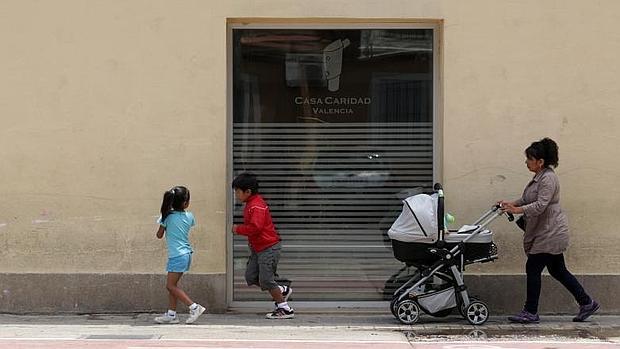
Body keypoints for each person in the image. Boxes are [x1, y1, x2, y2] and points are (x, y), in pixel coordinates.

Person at [499, 138, 599, 323]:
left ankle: (530, 311)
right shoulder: (540, 178)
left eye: (529, 158)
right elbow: (527, 199)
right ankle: (587, 303)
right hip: (545, 231)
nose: (526, 162)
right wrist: (510, 203)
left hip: (550, 232)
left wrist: (517, 210)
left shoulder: (548, 179)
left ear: (540, 161)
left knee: (533, 267)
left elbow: (540, 205)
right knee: (558, 270)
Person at [231, 172, 294, 319]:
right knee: (251, 276)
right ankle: (281, 289)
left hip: (268, 247)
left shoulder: (257, 206)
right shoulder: (250, 204)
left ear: (248, 192)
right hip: (258, 248)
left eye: (237, 192)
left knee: (266, 280)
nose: (236, 195)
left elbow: (256, 228)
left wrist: (237, 229)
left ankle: (284, 308)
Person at [154, 186, 206, 324]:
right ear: (185, 203)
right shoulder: (190, 217)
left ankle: (194, 307)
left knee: (170, 286)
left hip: (177, 255)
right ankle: (171, 315)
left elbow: (159, 235)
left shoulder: (166, 217)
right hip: (186, 254)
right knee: (173, 285)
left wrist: (163, 220)